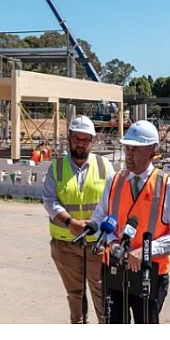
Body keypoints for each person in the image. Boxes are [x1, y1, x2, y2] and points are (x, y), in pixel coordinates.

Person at [91, 120, 170, 324]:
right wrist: (112, 241)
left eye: (135, 149)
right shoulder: (114, 181)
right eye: (127, 148)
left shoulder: (167, 186)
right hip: (115, 268)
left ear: (152, 152)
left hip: (150, 273)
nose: (129, 154)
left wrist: (146, 250)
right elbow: (99, 218)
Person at [41, 115, 115, 324]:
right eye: (77, 139)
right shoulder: (56, 168)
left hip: (97, 245)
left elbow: (114, 200)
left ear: (92, 141)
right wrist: (70, 223)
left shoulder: (105, 166)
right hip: (66, 244)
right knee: (75, 295)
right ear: (69, 138)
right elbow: (49, 200)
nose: (80, 144)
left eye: (85, 139)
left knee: (102, 294)